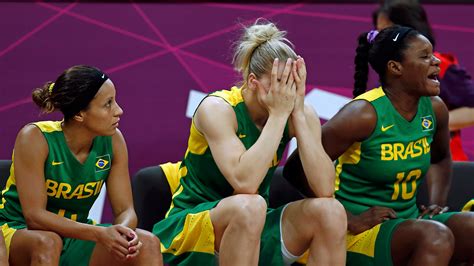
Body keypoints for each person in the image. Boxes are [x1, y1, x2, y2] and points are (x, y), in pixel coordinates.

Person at [153, 20, 347, 266]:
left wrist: (298, 113)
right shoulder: (218, 109)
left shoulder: (296, 111)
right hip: (192, 229)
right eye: (277, 83)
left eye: (291, 83)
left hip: (253, 224)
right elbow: (246, 183)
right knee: (250, 205)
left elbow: (325, 189)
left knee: (331, 212)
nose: (285, 92)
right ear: (253, 82)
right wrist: (278, 116)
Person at [285, 25, 474, 265]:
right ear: (395, 68)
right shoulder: (363, 114)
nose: (436, 61)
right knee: (435, 237)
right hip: (356, 232)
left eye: (433, 54)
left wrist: (436, 203)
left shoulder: (435, 108)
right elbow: (295, 169)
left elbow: (439, 158)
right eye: (425, 56)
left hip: (408, 222)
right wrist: (350, 218)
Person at [0, 65, 163, 265]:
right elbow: (35, 217)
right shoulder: (35, 137)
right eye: (108, 104)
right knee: (48, 242)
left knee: (149, 244)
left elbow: (125, 211)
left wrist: (123, 234)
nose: (119, 110)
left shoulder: (113, 141)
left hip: (77, 235)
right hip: (19, 231)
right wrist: (100, 234)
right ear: (79, 114)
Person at [373, 0, 474, 161]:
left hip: (446, 165)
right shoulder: (390, 72)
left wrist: (429, 124)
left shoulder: (441, 66)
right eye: (378, 32)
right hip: (403, 166)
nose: (380, 38)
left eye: (386, 30)